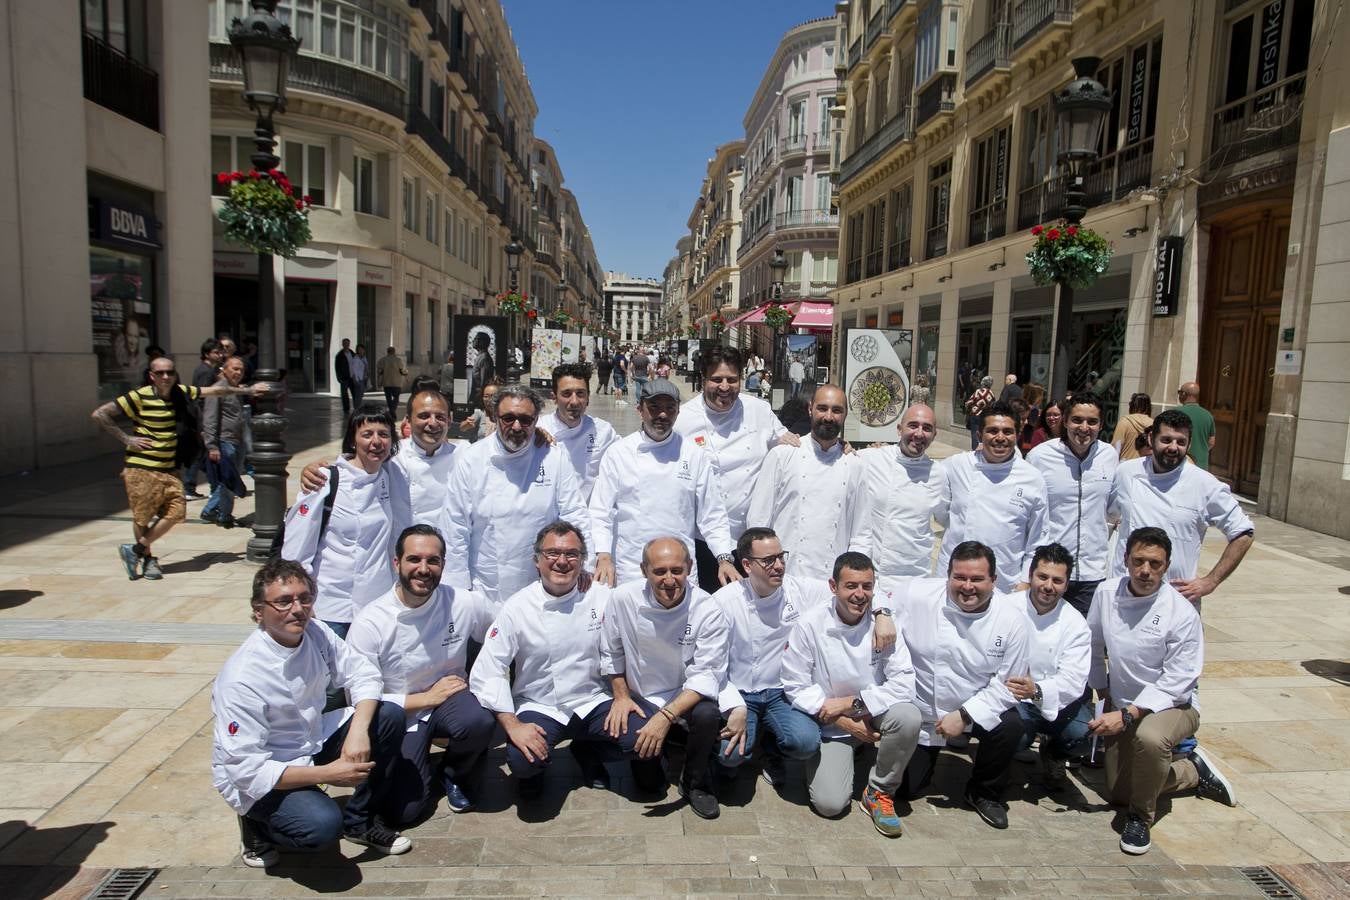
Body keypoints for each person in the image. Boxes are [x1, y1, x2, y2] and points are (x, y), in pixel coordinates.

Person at [211, 559, 412, 869]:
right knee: (320, 827)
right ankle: (257, 826)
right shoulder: (243, 678)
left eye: (304, 598)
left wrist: (358, 731)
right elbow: (246, 771)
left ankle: (359, 821)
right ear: (258, 611)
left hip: (311, 736)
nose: (298, 609)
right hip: (266, 769)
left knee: (388, 717)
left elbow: (363, 674)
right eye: (283, 601)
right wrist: (329, 775)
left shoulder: (315, 632)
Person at [1088, 528, 1236, 855]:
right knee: (1116, 792)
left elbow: (1178, 681)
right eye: (1138, 561)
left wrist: (1128, 714)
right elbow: (1094, 645)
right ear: (1125, 560)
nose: (1145, 570)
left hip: (1173, 707)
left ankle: (1141, 818)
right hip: (1123, 704)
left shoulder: (1180, 612)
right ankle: (1190, 770)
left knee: (1151, 740)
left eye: (1155, 564)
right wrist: (1103, 693)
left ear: (1166, 566)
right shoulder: (1106, 593)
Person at [469, 521, 631, 800]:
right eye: (552, 554)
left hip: (592, 701)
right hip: (540, 705)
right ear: (536, 561)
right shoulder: (517, 607)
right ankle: (535, 769)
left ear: (582, 561)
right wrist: (512, 726)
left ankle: (587, 749)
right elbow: (489, 670)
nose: (562, 562)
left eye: (572, 555)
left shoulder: (601, 596)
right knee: (522, 763)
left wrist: (622, 696)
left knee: (639, 740)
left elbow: (628, 638)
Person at [346, 526, 496, 821]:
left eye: (433, 560)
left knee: (479, 721)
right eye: (414, 559)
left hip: (450, 702)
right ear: (396, 563)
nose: (423, 569)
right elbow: (358, 697)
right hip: (398, 715)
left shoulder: (463, 603)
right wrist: (426, 698)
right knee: (405, 813)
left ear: (443, 564)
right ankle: (416, 767)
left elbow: (504, 631)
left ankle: (455, 772)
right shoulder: (370, 623)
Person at [781, 552, 922, 836]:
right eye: (851, 586)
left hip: (872, 712)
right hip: (831, 722)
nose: (860, 595)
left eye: (867, 587)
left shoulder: (883, 626)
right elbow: (794, 684)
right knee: (830, 804)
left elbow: (905, 681)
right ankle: (854, 750)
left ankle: (879, 792)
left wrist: (854, 704)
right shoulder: (810, 625)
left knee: (909, 717)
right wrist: (842, 720)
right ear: (833, 586)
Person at [893, 541, 1030, 830]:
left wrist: (965, 715)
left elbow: (1009, 686)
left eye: (977, 579)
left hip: (977, 708)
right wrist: (882, 615)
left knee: (1011, 724)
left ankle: (984, 791)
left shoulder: (1012, 620)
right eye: (960, 577)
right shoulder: (918, 594)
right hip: (926, 713)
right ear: (948, 576)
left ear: (994, 580)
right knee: (904, 790)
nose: (967, 587)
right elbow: (881, 595)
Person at [92, 356, 266, 580]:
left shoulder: (179, 392)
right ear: (151, 376)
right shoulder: (139, 396)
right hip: (141, 467)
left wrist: (248, 391)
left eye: (170, 372)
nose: (166, 377)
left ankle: (135, 550)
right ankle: (147, 559)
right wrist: (127, 439)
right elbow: (100, 414)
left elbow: (213, 392)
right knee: (142, 517)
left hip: (168, 466)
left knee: (176, 512)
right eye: (161, 373)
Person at [601, 537, 730, 819]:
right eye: (659, 571)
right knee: (649, 787)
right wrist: (621, 696)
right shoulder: (623, 599)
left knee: (708, 715)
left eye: (676, 570)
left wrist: (665, 718)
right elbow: (611, 652)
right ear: (644, 570)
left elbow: (706, 675)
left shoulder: (706, 609)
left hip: (686, 693)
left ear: (690, 568)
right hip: (642, 696)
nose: (669, 580)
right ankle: (667, 749)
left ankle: (696, 782)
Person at [441, 385, 590, 606]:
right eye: (508, 418)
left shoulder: (554, 457)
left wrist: (584, 565)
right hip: (485, 587)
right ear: (495, 416)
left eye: (526, 419)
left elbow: (575, 513)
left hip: (540, 586)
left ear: (536, 419)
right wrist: (457, 588)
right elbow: (455, 527)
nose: (517, 426)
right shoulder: (472, 459)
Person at [590, 379, 738, 588]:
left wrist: (724, 558)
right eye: (654, 407)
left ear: (678, 412)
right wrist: (603, 555)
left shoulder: (693, 454)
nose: (662, 415)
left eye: (670, 408)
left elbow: (712, 513)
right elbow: (600, 511)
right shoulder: (619, 453)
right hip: (632, 568)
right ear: (640, 409)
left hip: (680, 571)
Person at [674, 345, 797, 592]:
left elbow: (791, 445)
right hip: (703, 540)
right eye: (716, 379)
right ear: (703, 379)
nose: (724, 387)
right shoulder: (683, 419)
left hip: (751, 539)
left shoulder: (759, 410)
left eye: (732, 379)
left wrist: (838, 446)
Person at [1108, 409, 1254, 605]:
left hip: (1176, 599)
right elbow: (1106, 517)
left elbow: (1243, 533)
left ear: (1189, 444)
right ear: (1151, 438)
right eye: (1166, 440)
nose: (1173, 447)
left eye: (1181, 442)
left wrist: (1210, 581)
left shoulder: (1205, 484)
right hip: (1123, 594)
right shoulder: (1126, 472)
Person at [281, 405, 399, 636]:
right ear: (353, 440)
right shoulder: (324, 480)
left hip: (375, 609)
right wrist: (300, 601)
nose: (376, 441)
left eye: (383, 434)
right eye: (367, 434)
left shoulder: (389, 476)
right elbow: (296, 548)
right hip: (330, 607)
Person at [300, 384, 456, 528]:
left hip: (441, 552)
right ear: (408, 420)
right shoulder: (390, 453)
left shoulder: (463, 456)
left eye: (440, 417)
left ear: (450, 420)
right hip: (396, 551)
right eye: (424, 416)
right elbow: (354, 467)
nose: (433, 423)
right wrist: (312, 471)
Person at [746, 385, 860, 580]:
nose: (829, 417)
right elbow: (758, 521)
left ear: (845, 415)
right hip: (783, 576)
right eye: (822, 408)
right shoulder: (783, 455)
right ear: (810, 409)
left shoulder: (854, 464)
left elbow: (861, 534)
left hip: (831, 581)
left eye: (837, 410)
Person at [937, 401, 1049, 592]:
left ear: (1017, 434)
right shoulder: (956, 465)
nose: (1000, 438)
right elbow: (939, 509)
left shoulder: (1032, 478)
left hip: (1004, 581)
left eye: (1007, 431)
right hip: (953, 576)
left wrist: (1026, 581)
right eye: (992, 431)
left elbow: (1039, 538)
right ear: (979, 435)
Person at [1026, 392, 1119, 617]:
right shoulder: (1040, 457)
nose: (1084, 427)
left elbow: (1114, 508)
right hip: (1050, 571)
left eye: (1092, 421)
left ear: (1101, 424)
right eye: (1077, 420)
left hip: (1092, 572)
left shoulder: (1109, 456)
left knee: (1086, 643)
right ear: (1065, 420)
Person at [1010, 543, 1093, 789]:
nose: (1048, 586)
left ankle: (1054, 754)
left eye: (1057, 581)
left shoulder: (1075, 623)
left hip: (1056, 700)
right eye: (1042, 577)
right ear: (1031, 576)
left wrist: (1036, 690)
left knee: (1084, 735)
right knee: (1012, 734)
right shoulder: (1007, 607)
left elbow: (1074, 680)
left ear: (1067, 585)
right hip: (1012, 698)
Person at [851, 404, 949, 585]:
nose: (919, 434)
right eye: (913, 425)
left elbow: (948, 522)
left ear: (934, 435)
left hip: (916, 575)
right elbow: (840, 456)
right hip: (873, 574)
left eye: (927, 428)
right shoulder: (871, 459)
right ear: (899, 429)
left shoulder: (939, 474)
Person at [537, 363, 619, 500]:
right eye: (566, 394)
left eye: (580, 394)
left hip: (586, 516)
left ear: (588, 397)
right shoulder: (538, 429)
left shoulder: (602, 431)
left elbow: (627, 455)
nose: (574, 401)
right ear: (554, 397)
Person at [201, 356, 249, 528]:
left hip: (237, 441)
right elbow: (210, 418)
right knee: (228, 480)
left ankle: (222, 512)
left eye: (241, 370)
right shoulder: (217, 390)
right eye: (234, 369)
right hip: (224, 442)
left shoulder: (234, 389)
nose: (238, 372)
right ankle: (214, 511)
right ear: (224, 369)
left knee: (229, 480)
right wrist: (212, 446)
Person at [183, 338, 227, 498]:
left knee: (200, 455)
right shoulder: (206, 371)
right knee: (201, 455)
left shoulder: (209, 370)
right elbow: (203, 399)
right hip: (201, 419)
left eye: (221, 351)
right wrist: (203, 427)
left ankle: (198, 486)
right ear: (207, 354)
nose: (220, 355)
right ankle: (193, 486)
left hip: (200, 420)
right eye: (216, 352)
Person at [1174, 382, 1216, 470]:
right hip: (1201, 464)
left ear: (1184, 394)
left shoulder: (1175, 413)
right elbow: (1211, 442)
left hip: (1180, 462)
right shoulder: (1208, 415)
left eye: (1179, 392)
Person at [1112, 393, 1153, 462]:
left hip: (1125, 464)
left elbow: (1116, 446)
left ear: (1132, 405)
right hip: (1145, 466)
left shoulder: (1124, 422)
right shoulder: (1153, 424)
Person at [963, 376, 995, 450]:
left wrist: (968, 405)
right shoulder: (991, 394)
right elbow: (992, 405)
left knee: (974, 433)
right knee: (983, 433)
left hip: (975, 415)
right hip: (985, 416)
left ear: (983, 383)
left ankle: (975, 450)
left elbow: (969, 402)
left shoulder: (978, 391)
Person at [377, 347, 408, 418]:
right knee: (396, 397)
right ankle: (393, 410)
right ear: (394, 352)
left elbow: (379, 372)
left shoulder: (382, 360)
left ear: (387, 352)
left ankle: (391, 410)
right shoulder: (398, 360)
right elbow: (403, 371)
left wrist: (379, 382)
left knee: (388, 398)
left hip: (386, 382)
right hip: (397, 383)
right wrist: (406, 375)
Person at [468, 331, 495, 407]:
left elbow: (484, 381)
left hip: (478, 399)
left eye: (476, 339)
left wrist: (480, 399)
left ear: (482, 342)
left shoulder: (484, 358)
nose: (473, 340)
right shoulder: (480, 357)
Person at [335, 338, 355, 414]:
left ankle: (356, 407)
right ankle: (346, 409)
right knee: (344, 394)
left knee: (354, 393)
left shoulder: (352, 353)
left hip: (352, 377)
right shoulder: (339, 355)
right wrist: (339, 378)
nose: (346, 345)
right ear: (342, 344)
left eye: (347, 343)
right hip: (344, 377)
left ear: (349, 344)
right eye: (345, 343)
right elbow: (337, 367)